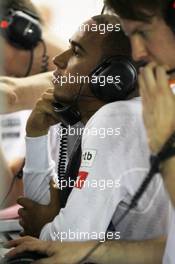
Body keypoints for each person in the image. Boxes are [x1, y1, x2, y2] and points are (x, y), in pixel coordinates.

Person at [4, 1, 175, 264]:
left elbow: (60, 242)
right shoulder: (70, 115)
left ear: (114, 75)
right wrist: (35, 134)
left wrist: (47, 227)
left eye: (75, 52)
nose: (58, 61)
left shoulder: (117, 119)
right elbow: (36, 210)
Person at [0, 0, 64, 207]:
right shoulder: (33, 109)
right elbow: (9, 196)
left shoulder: (94, 70)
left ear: (21, 29)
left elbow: (11, 93)